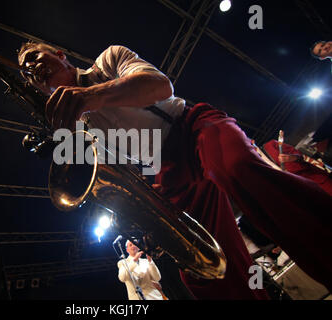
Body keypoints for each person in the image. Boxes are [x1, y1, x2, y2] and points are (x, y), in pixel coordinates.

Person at [17, 42, 332, 299]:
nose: (31, 69)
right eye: (26, 73)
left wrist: (90, 97)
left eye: (33, 57)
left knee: (236, 166)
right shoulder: (78, 132)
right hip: (165, 172)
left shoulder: (108, 59)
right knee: (201, 267)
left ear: (59, 54)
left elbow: (159, 86)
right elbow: (117, 171)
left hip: (190, 126)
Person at [263, 140, 332, 196]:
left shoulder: (271, 145)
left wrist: (294, 158)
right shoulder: (260, 165)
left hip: (317, 179)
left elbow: (302, 157)